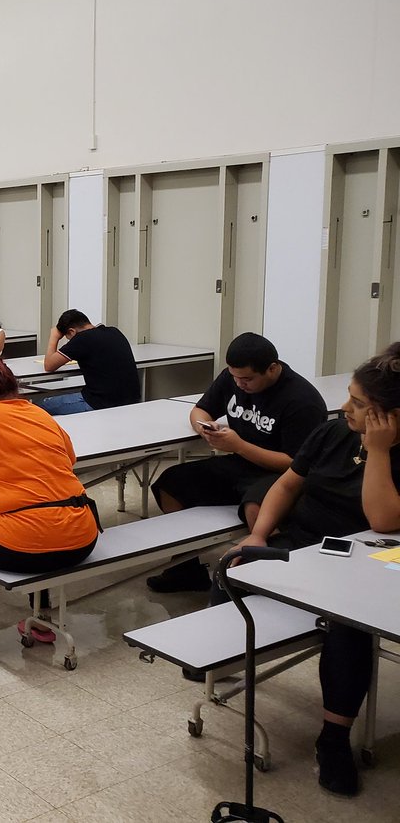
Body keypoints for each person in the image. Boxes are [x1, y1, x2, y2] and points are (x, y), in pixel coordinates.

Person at [220, 344, 400, 796]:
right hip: (301, 543)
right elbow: (286, 484)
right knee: (233, 568)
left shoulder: (383, 451)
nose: (345, 408)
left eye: (360, 404)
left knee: (349, 630)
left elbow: (382, 521)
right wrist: (259, 534)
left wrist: (377, 450)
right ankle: (219, 661)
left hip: (358, 566)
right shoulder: (333, 433)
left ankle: (334, 738)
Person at [0, 350, 99, 662]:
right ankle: (42, 623)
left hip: (26, 541)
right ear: (16, 390)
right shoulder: (40, 414)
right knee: (35, 519)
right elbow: (69, 458)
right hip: (82, 534)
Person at [147, 332, 327, 592]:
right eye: (235, 377)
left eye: (248, 379)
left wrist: (239, 446)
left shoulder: (302, 401)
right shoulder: (233, 378)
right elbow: (200, 409)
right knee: (171, 482)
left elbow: (294, 464)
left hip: (278, 472)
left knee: (257, 507)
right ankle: (185, 568)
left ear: (272, 369)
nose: (240, 384)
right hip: (239, 461)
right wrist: (205, 429)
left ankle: (272, 582)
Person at [41, 309, 139, 415]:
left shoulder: (81, 339)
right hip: (131, 401)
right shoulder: (114, 331)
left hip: (100, 403)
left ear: (71, 332)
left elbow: (49, 365)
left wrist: (54, 336)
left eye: (68, 338)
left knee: (42, 406)